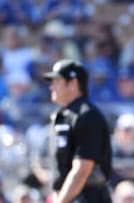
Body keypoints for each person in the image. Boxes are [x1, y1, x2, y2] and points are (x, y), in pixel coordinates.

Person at [42, 59, 112, 203]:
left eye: (57, 81)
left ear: (73, 83)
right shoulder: (63, 115)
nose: (51, 87)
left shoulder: (87, 115)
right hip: (68, 197)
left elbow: (83, 169)